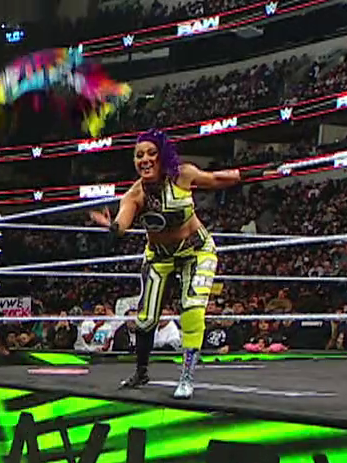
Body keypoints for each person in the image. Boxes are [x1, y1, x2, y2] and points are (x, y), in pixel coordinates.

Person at [89, 129, 242, 400]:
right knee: (145, 319)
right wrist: (109, 227)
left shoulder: (182, 175)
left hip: (196, 251)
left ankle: (187, 376)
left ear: (162, 156)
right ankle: (141, 372)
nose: (145, 160)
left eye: (151, 153)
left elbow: (216, 179)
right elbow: (122, 224)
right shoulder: (134, 195)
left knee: (192, 309)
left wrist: (254, 173)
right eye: (139, 155)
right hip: (159, 257)